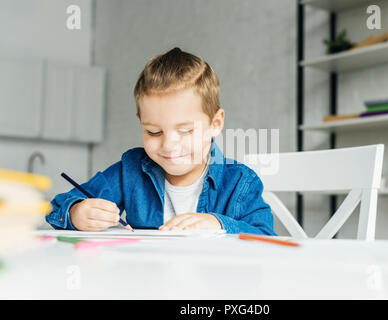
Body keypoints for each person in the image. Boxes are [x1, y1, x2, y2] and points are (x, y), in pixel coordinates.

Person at [46, 47, 275, 235]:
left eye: (185, 131)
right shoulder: (131, 170)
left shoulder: (239, 181)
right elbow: (60, 205)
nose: (169, 145)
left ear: (215, 124)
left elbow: (266, 237)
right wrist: (77, 212)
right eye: (154, 132)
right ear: (141, 121)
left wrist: (220, 225)